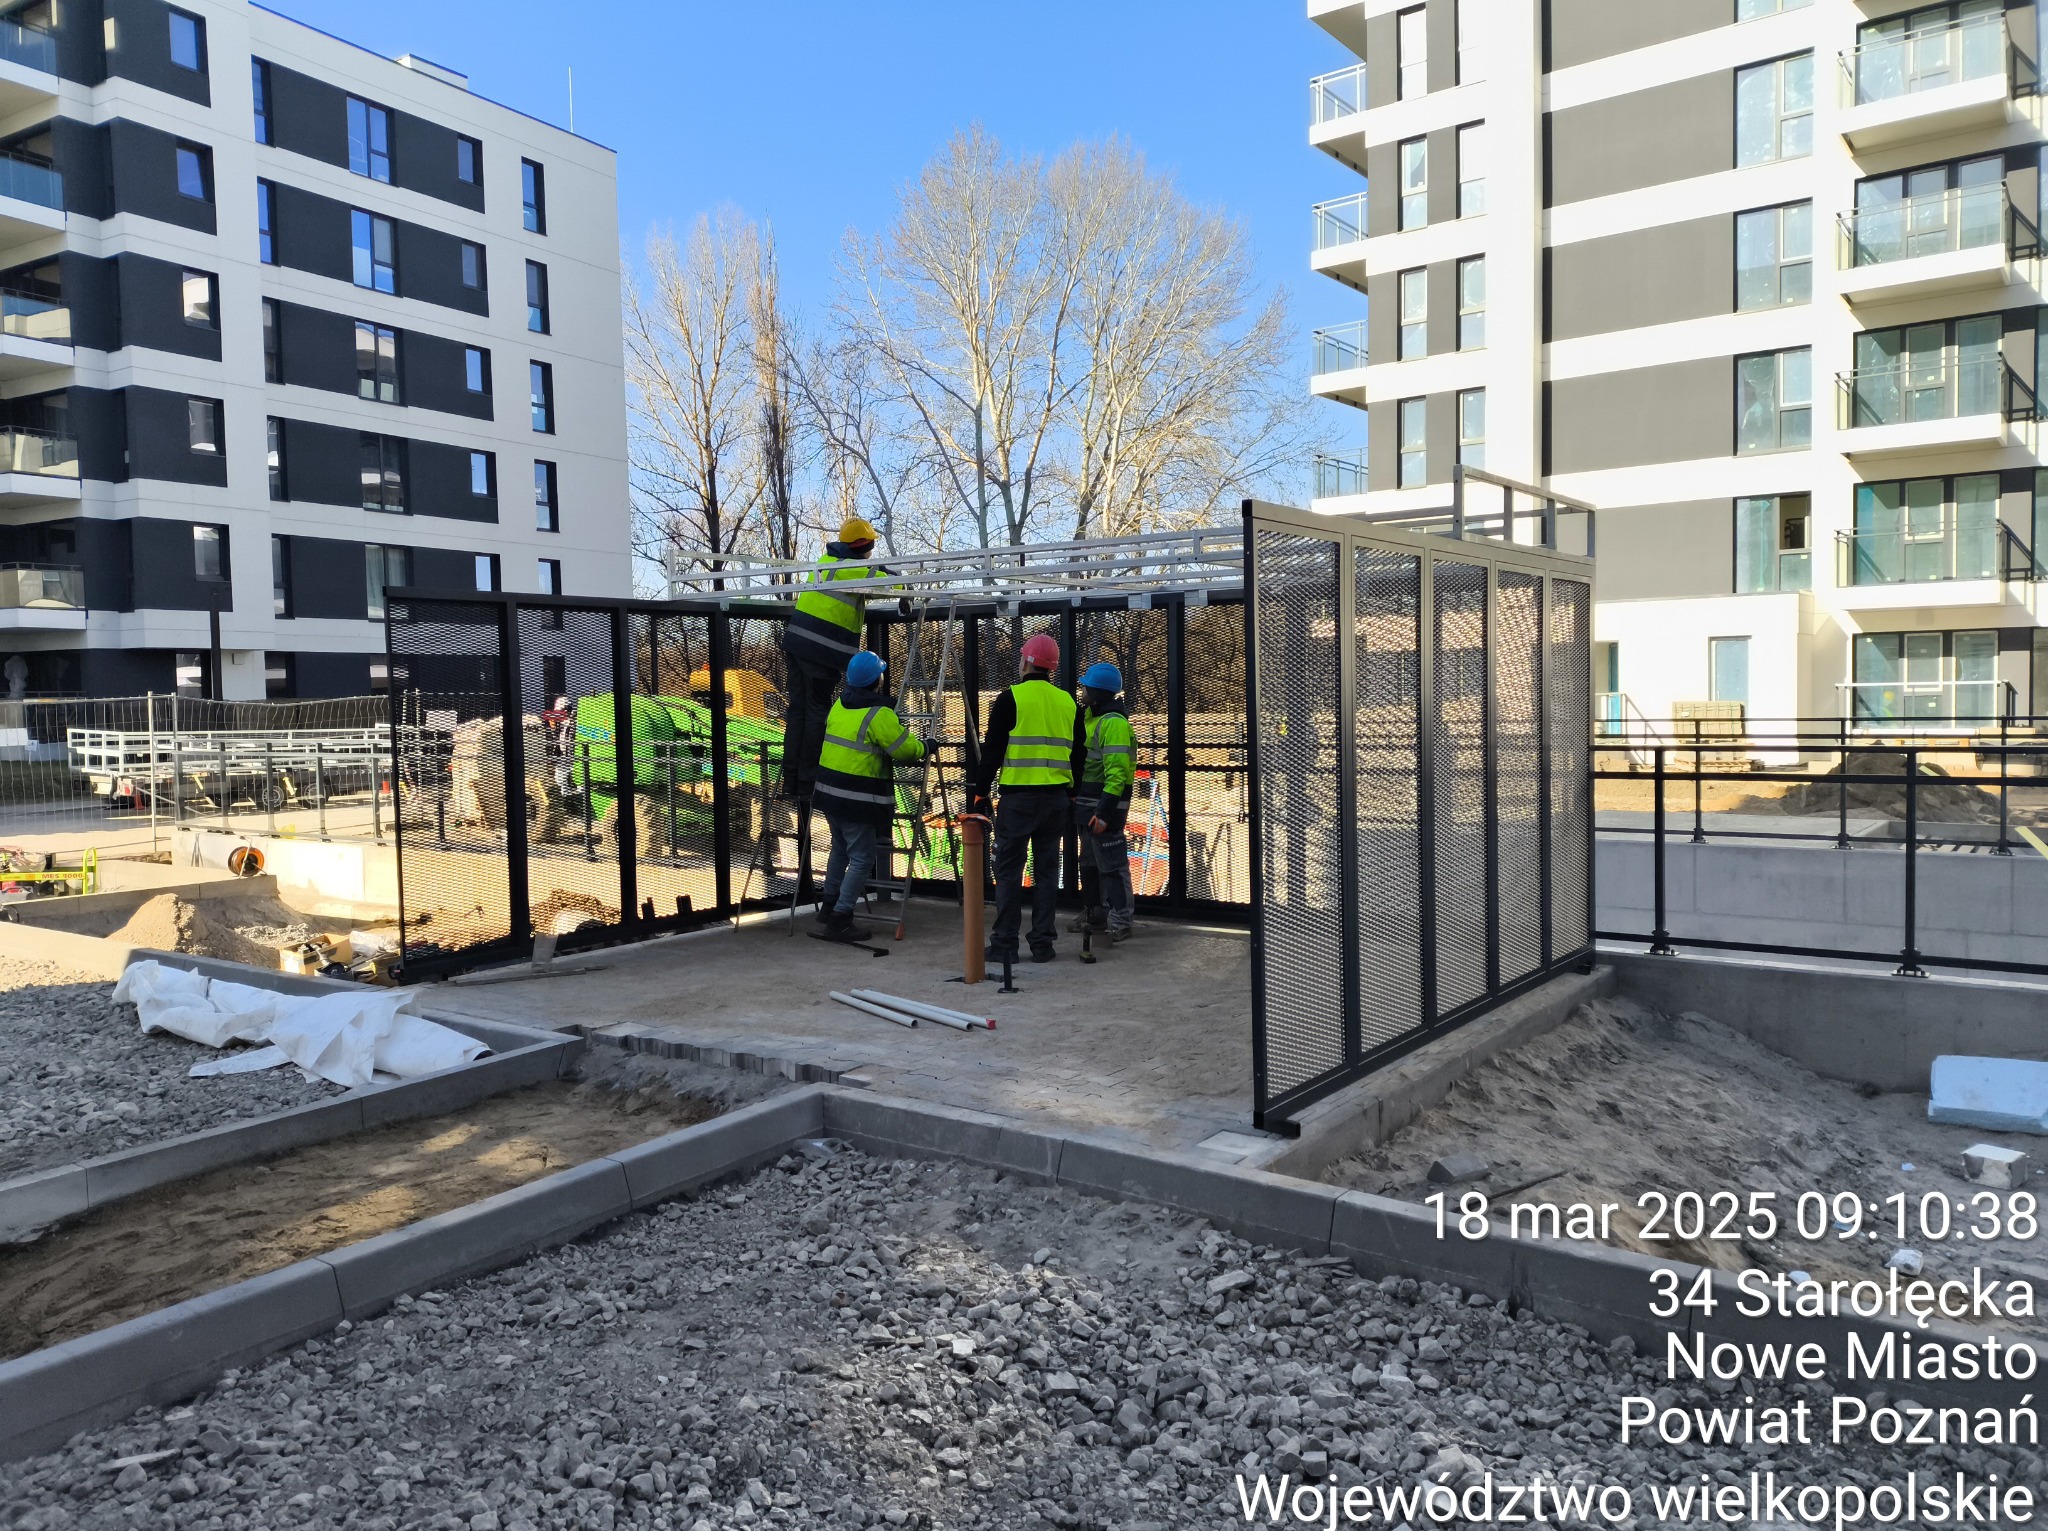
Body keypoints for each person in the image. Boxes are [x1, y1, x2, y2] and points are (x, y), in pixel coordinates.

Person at [969, 633, 1084, 965]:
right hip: (1057, 801)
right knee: (1048, 873)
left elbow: (992, 752)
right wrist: (1072, 794)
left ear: (1027, 662)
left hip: (1018, 800)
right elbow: (1078, 755)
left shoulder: (1010, 699)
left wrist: (980, 793)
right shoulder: (1067, 702)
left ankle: (1005, 944)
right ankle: (1043, 945)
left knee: (1009, 872)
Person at [811, 649, 924, 943]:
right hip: (856, 798)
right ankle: (840, 919)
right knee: (862, 857)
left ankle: (829, 907)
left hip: (828, 794)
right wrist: (927, 746)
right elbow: (905, 750)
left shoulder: (839, 705)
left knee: (840, 849)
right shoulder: (879, 714)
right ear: (878, 679)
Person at [779, 518, 889, 802]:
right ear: (865, 545)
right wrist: (903, 585)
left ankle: (791, 780)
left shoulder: (827, 560)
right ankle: (808, 781)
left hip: (796, 644)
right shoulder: (854, 569)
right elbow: (891, 585)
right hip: (820, 653)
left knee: (798, 712)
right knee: (816, 713)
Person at [1071, 662, 1136, 943]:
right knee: (1089, 863)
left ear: (1096, 692)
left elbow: (1117, 774)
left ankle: (1120, 918)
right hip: (1088, 806)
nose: (1081, 690)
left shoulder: (1113, 724)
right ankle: (1096, 912)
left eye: (1085, 687)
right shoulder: (1092, 717)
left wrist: (1104, 812)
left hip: (1104, 808)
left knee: (1111, 865)